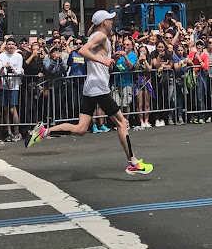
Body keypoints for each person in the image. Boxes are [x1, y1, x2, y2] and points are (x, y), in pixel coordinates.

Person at [25, 10, 153, 175]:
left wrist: (110, 59)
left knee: (81, 129)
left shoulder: (97, 36)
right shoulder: (100, 36)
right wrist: (103, 60)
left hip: (91, 86)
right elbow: (82, 51)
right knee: (122, 123)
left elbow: (96, 58)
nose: (112, 22)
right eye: (110, 20)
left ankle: (44, 131)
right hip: (98, 87)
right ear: (103, 22)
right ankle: (133, 162)